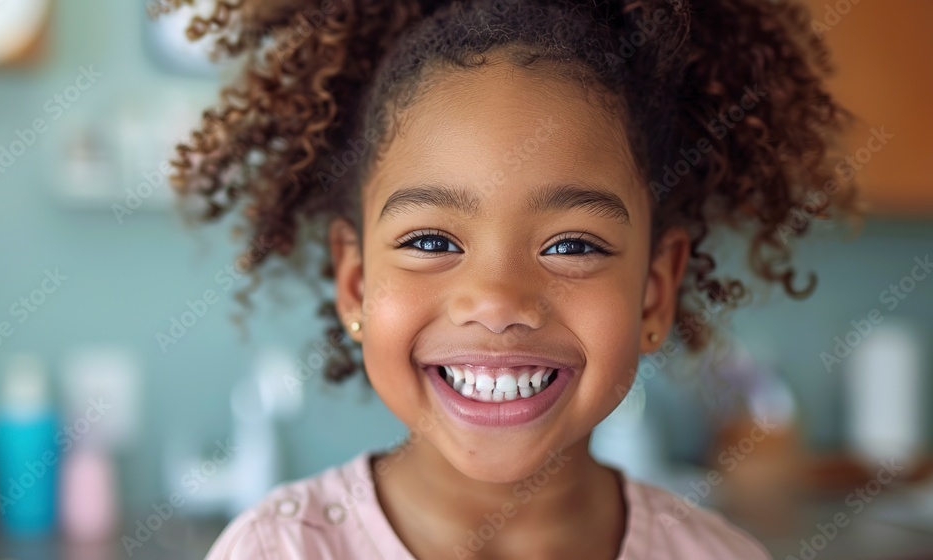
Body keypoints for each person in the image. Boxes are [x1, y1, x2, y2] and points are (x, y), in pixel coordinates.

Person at [167, 0, 859, 557]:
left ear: (654, 292)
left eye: (572, 245)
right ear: (355, 284)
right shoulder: (278, 549)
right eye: (433, 240)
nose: (498, 302)